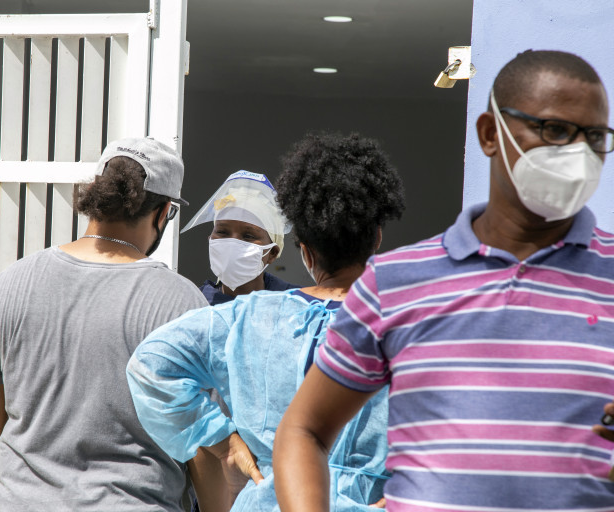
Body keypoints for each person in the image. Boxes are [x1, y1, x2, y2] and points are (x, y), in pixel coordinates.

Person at [273, 50, 614, 511]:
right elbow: (303, 431)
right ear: (490, 134)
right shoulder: (395, 283)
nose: (577, 153)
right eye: (555, 130)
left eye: (595, 137)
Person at [127, 132, 406, 512]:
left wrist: (225, 443)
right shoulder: (414, 328)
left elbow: (150, 364)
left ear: (304, 251)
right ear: (376, 239)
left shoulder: (246, 318)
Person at [0, 137, 208, 512]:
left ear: (97, 192)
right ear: (162, 213)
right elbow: (204, 440)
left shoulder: (11, 283)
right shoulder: (181, 302)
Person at [182, 170, 297, 305]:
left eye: (248, 236)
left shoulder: (297, 306)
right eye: (223, 232)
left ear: (272, 253)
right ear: (210, 240)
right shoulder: (192, 305)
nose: (233, 242)